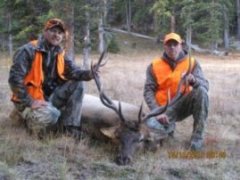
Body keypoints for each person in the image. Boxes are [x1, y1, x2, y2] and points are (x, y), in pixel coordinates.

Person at [8, 18, 97, 138]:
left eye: (60, 33)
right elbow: (14, 80)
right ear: (45, 31)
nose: (57, 35)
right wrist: (30, 101)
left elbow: (73, 72)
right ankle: (25, 119)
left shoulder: (59, 53)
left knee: (78, 83)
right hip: (29, 100)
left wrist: (89, 74)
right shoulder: (28, 50)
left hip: (47, 97)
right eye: (53, 31)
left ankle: (70, 128)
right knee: (54, 115)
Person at [144, 32, 209, 151]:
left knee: (201, 91)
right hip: (163, 109)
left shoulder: (192, 63)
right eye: (169, 44)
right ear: (164, 46)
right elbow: (148, 91)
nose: (172, 47)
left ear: (181, 45)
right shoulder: (154, 66)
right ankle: (168, 129)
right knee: (148, 128)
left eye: (175, 44)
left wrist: (194, 81)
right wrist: (156, 111)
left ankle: (197, 140)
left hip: (183, 104)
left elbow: (205, 85)